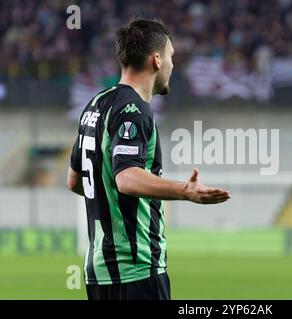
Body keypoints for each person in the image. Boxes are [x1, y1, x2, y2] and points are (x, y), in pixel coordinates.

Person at [66, 18, 230, 300]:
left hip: (98, 273)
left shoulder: (95, 105)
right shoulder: (134, 110)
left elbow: (74, 181)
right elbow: (127, 178)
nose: (173, 65)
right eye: (171, 57)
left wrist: (111, 199)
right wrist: (184, 191)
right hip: (138, 271)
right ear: (156, 60)